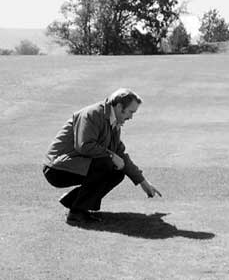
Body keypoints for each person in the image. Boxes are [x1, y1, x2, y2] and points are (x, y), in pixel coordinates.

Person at [42, 88, 162, 224]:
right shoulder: (92, 114)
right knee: (107, 163)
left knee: (117, 172)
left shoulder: (114, 122)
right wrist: (111, 156)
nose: (131, 117)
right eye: (130, 112)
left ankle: (73, 202)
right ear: (119, 106)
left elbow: (120, 154)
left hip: (76, 165)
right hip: (56, 169)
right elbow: (84, 146)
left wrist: (143, 182)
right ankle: (76, 213)